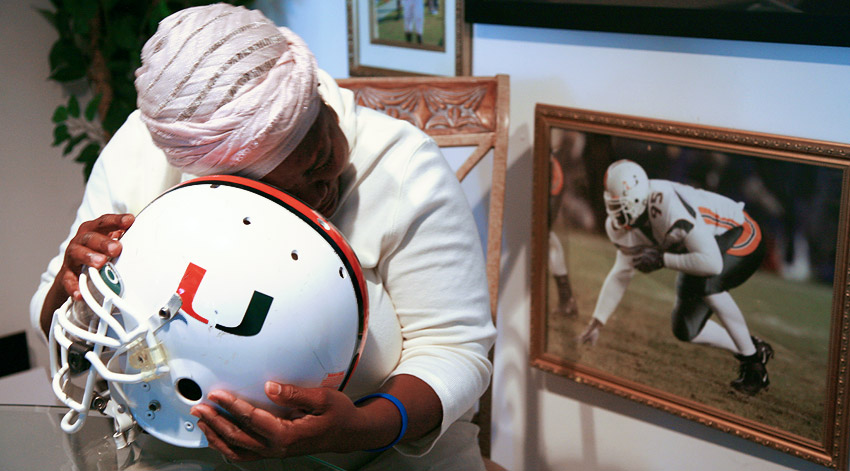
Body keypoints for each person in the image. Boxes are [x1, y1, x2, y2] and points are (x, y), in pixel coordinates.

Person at [30, 4, 495, 470]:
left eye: (322, 158)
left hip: (379, 457)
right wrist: (74, 287)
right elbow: (54, 322)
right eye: (276, 190)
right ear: (206, 175)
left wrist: (360, 428)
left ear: (320, 104)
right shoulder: (143, 152)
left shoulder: (402, 167)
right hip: (175, 450)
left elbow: (455, 349)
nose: (320, 191)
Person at [577, 159, 773, 396]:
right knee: (686, 328)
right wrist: (598, 321)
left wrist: (663, 259)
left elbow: (712, 263)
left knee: (708, 283)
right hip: (707, 248)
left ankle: (753, 365)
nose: (615, 215)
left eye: (620, 206)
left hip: (741, 233)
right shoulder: (622, 225)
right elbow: (622, 272)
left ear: (637, 199)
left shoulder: (665, 204)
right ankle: (753, 347)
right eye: (612, 205)